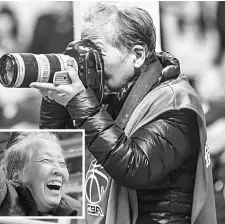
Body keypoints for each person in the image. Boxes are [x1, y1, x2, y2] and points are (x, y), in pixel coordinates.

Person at [30, 2, 217, 224]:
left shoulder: (175, 101)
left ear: (137, 55)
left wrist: (81, 103)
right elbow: (63, 163)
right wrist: (55, 102)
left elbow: (135, 167)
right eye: (85, 51)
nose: (88, 63)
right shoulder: (108, 94)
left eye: (96, 53)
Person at [0, 132, 81, 216]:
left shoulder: (78, 211)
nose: (58, 171)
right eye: (46, 160)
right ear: (17, 176)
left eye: (62, 164)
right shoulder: (4, 199)